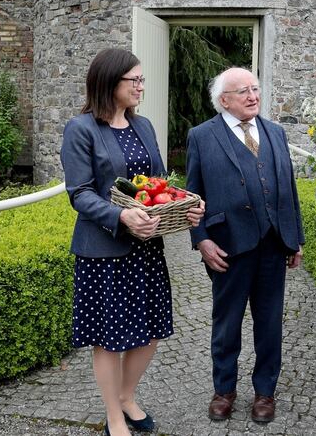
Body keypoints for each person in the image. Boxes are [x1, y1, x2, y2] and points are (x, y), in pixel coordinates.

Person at [60, 48, 204, 436]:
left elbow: (156, 184)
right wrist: (120, 216)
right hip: (104, 251)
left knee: (152, 332)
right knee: (109, 339)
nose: (141, 86)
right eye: (134, 80)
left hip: (147, 248)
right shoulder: (82, 129)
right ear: (110, 82)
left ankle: (127, 396)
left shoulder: (144, 127)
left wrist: (184, 204)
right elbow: (79, 192)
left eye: (142, 79)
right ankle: (113, 414)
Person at [185, 67, 305, 424]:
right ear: (224, 100)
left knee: (269, 323)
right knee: (227, 323)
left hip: (273, 244)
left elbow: (289, 190)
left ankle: (265, 393)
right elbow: (192, 196)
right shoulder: (201, 136)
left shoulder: (276, 132)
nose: (253, 96)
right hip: (227, 247)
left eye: (255, 88)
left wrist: (294, 237)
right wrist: (201, 239)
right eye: (243, 91)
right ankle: (224, 390)